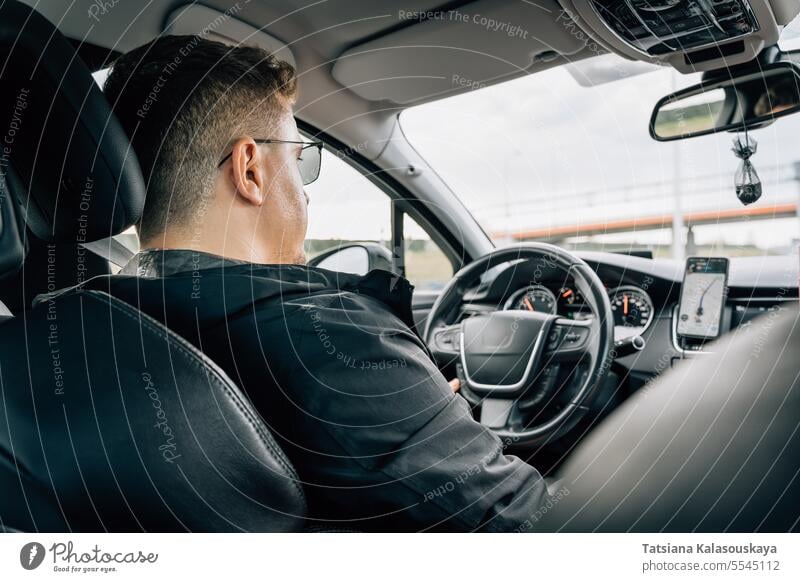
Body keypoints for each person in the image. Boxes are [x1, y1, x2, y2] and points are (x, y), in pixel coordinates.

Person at [93, 35, 548, 531]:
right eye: (299, 160)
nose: (306, 197)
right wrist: (436, 419)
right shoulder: (336, 344)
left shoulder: (78, 328)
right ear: (251, 170)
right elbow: (522, 521)